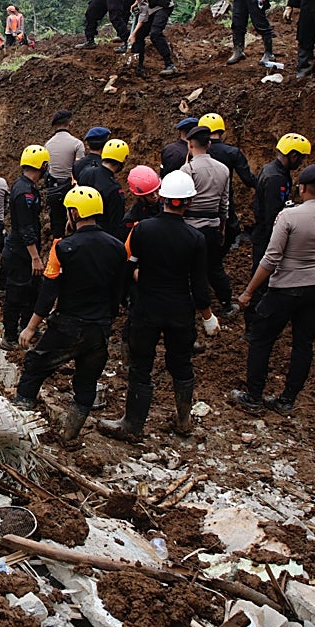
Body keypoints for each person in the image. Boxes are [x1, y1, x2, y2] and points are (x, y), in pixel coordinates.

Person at [99, 171, 217, 442]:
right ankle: (184, 420)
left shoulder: (142, 229)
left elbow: (127, 266)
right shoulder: (195, 238)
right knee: (181, 363)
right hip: (180, 310)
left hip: (147, 307)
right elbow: (200, 285)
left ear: (162, 198)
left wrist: (119, 300)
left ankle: (132, 424)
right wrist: (207, 317)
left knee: (141, 365)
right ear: (188, 202)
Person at [232, 164, 315, 414]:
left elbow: (271, 258)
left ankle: (253, 396)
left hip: (285, 287)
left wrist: (249, 291)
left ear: (303, 188)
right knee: (303, 344)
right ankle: (287, 400)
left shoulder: (289, 216)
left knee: (261, 339)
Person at [15, 187, 128, 440]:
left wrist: (31, 327)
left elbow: (48, 293)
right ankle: (70, 434)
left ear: (74, 213)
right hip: (99, 328)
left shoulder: (63, 248)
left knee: (34, 366)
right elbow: (118, 292)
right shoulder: (118, 248)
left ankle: (18, 426)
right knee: (86, 383)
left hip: (67, 326)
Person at [246, 133, 311, 333]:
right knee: (262, 280)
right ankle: (253, 326)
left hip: (265, 233)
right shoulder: (276, 178)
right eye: (300, 158)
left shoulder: (274, 171)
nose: (301, 163)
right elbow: (272, 214)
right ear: (293, 155)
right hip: (267, 237)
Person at [179, 125, 235, 313]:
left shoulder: (187, 170)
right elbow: (224, 203)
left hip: (190, 227)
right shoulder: (223, 169)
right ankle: (226, 302)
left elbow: (182, 200)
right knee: (214, 266)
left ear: (190, 144)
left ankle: (192, 303)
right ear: (209, 144)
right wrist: (222, 227)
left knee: (188, 269)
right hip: (212, 226)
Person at [1, 145, 49, 349]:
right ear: (42, 165)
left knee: (33, 291)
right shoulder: (24, 193)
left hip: (25, 251)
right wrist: (35, 257)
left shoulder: (27, 186)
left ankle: (27, 326)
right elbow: (25, 227)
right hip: (20, 253)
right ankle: (10, 336)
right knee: (16, 294)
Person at [104, 0, 177, 77]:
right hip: (152, 6)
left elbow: (144, 14)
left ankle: (170, 65)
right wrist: (136, 3)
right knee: (139, 36)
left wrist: (133, 34)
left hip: (163, 6)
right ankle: (139, 67)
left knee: (155, 34)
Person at [203, 112, 257, 254]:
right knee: (229, 230)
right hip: (225, 199)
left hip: (201, 202)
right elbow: (248, 180)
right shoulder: (232, 152)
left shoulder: (198, 151)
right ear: (221, 131)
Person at [44, 110, 87, 237]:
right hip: (71, 189)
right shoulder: (77, 144)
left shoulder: (47, 145)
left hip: (53, 189)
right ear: (70, 124)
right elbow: (79, 169)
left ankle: (56, 245)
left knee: (57, 225)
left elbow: (47, 168)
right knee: (74, 224)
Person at [77, 139, 129, 241]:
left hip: (81, 231)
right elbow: (116, 223)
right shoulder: (114, 189)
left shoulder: (86, 172)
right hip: (103, 238)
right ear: (122, 160)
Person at [124, 166, 163, 233]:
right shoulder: (132, 219)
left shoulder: (164, 207)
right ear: (139, 196)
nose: (155, 196)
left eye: (157, 191)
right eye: (150, 194)